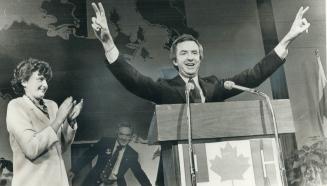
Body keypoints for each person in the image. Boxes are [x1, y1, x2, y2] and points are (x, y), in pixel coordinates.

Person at [90, 2, 310, 185]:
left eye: (194, 53)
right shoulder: (165, 89)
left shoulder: (215, 86)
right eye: (184, 53)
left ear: (200, 58)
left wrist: (288, 38)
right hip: (175, 169)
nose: (190, 57)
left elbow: (253, 75)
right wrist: (109, 44)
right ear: (175, 61)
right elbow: (136, 81)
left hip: (214, 168)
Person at [6, 58, 83, 186]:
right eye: (40, 79)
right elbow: (31, 149)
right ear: (24, 81)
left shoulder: (52, 106)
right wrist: (59, 120)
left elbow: (59, 148)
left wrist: (69, 121)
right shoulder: (16, 106)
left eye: (46, 80)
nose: (45, 85)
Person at [70, 122, 152, 186]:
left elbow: (140, 174)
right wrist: (74, 170)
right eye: (121, 134)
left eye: (127, 135)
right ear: (117, 133)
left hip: (115, 183)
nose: (124, 138)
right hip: (95, 180)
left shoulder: (132, 154)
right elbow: (88, 155)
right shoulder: (105, 142)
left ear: (131, 137)